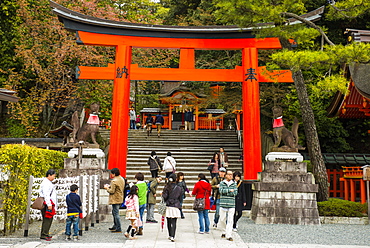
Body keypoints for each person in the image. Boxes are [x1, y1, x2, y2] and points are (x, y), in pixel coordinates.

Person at [162, 173, 182, 242]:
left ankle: (170, 234)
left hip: (168, 205)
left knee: (168, 221)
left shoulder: (167, 187)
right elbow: (180, 197)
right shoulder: (179, 188)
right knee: (174, 221)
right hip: (176, 205)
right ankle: (173, 235)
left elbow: (164, 197)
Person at [104, 168, 125, 233]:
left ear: (114, 174)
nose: (111, 175)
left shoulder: (114, 181)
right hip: (120, 197)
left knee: (116, 213)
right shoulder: (121, 179)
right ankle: (115, 226)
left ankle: (118, 227)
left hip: (115, 198)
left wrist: (107, 188)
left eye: (112, 173)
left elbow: (112, 191)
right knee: (115, 212)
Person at [219, 170, 238, 241]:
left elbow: (235, 192)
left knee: (230, 220)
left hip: (231, 203)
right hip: (223, 203)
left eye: (231, 175)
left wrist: (226, 191)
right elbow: (221, 191)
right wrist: (229, 190)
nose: (230, 176)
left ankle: (229, 234)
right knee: (222, 219)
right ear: (226, 175)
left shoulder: (234, 183)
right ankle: (224, 231)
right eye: (229, 174)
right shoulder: (222, 183)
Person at [39, 169, 57, 241]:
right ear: (49, 175)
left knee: (48, 218)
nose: (54, 178)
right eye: (53, 176)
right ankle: (44, 234)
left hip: (48, 202)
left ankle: (45, 233)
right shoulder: (46, 183)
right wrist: (49, 204)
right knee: (47, 218)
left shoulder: (47, 182)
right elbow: (46, 194)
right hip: (47, 203)